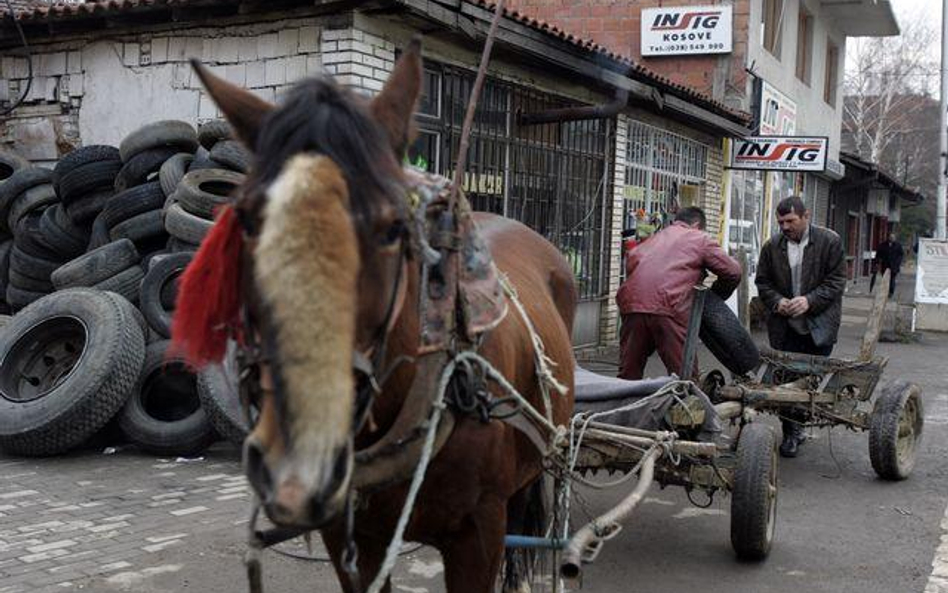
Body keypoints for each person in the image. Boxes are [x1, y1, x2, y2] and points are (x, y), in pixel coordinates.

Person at [756, 196, 847, 458]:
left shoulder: (830, 242)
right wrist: (777, 302)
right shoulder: (772, 246)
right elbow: (762, 282)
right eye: (780, 222)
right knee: (786, 380)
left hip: (818, 326)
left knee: (810, 380)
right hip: (784, 327)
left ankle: (801, 424)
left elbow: (837, 281)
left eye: (790, 221)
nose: (784, 227)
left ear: (806, 216)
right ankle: (792, 433)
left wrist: (809, 301)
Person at [616, 207, 741, 381]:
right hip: (670, 307)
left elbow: (631, 261)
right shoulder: (699, 238)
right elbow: (733, 272)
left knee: (628, 375)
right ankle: (685, 406)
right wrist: (714, 299)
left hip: (632, 305)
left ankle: (625, 406)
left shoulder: (653, 239)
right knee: (684, 378)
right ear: (697, 225)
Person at [870, 233, 904, 298]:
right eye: (890, 237)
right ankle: (885, 291)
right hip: (885, 265)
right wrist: (876, 263)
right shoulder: (883, 245)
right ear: (888, 238)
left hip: (894, 266)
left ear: (895, 238)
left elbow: (901, 255)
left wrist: (898, 263)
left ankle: (891, 292)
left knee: (892, 279)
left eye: (893, 238)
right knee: (885, 279)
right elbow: (878, 254)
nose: (891, 239)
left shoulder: (898, 246)